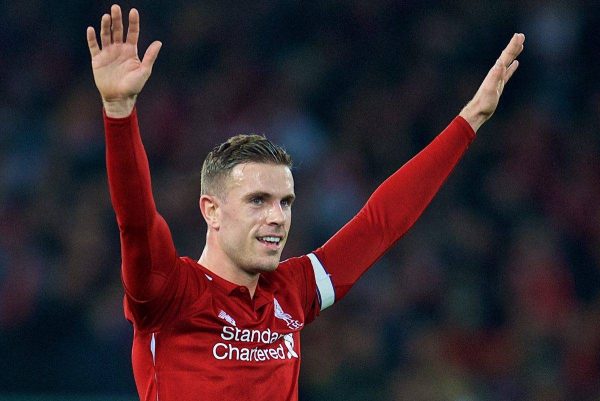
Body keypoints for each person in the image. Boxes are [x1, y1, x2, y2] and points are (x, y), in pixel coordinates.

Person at [86, 4, 524, 401]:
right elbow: (136, 220)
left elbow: (381, 222)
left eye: (286, 202)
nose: (277, 217)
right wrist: (118, 111)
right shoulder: (169, 292)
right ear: (211, 210)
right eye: (258, 200)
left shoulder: (292, 290)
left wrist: (471, 119)